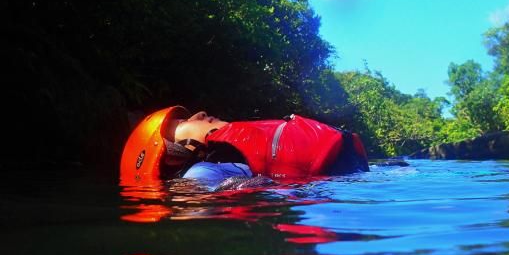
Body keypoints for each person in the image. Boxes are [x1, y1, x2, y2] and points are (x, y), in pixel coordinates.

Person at [120, 106, 369, 187]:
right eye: (184, 122)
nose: (200, 113)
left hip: (343, 172)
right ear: (173, 154)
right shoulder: (199, 173)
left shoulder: (225, 159)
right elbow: (194, 195)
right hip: (344, 176)